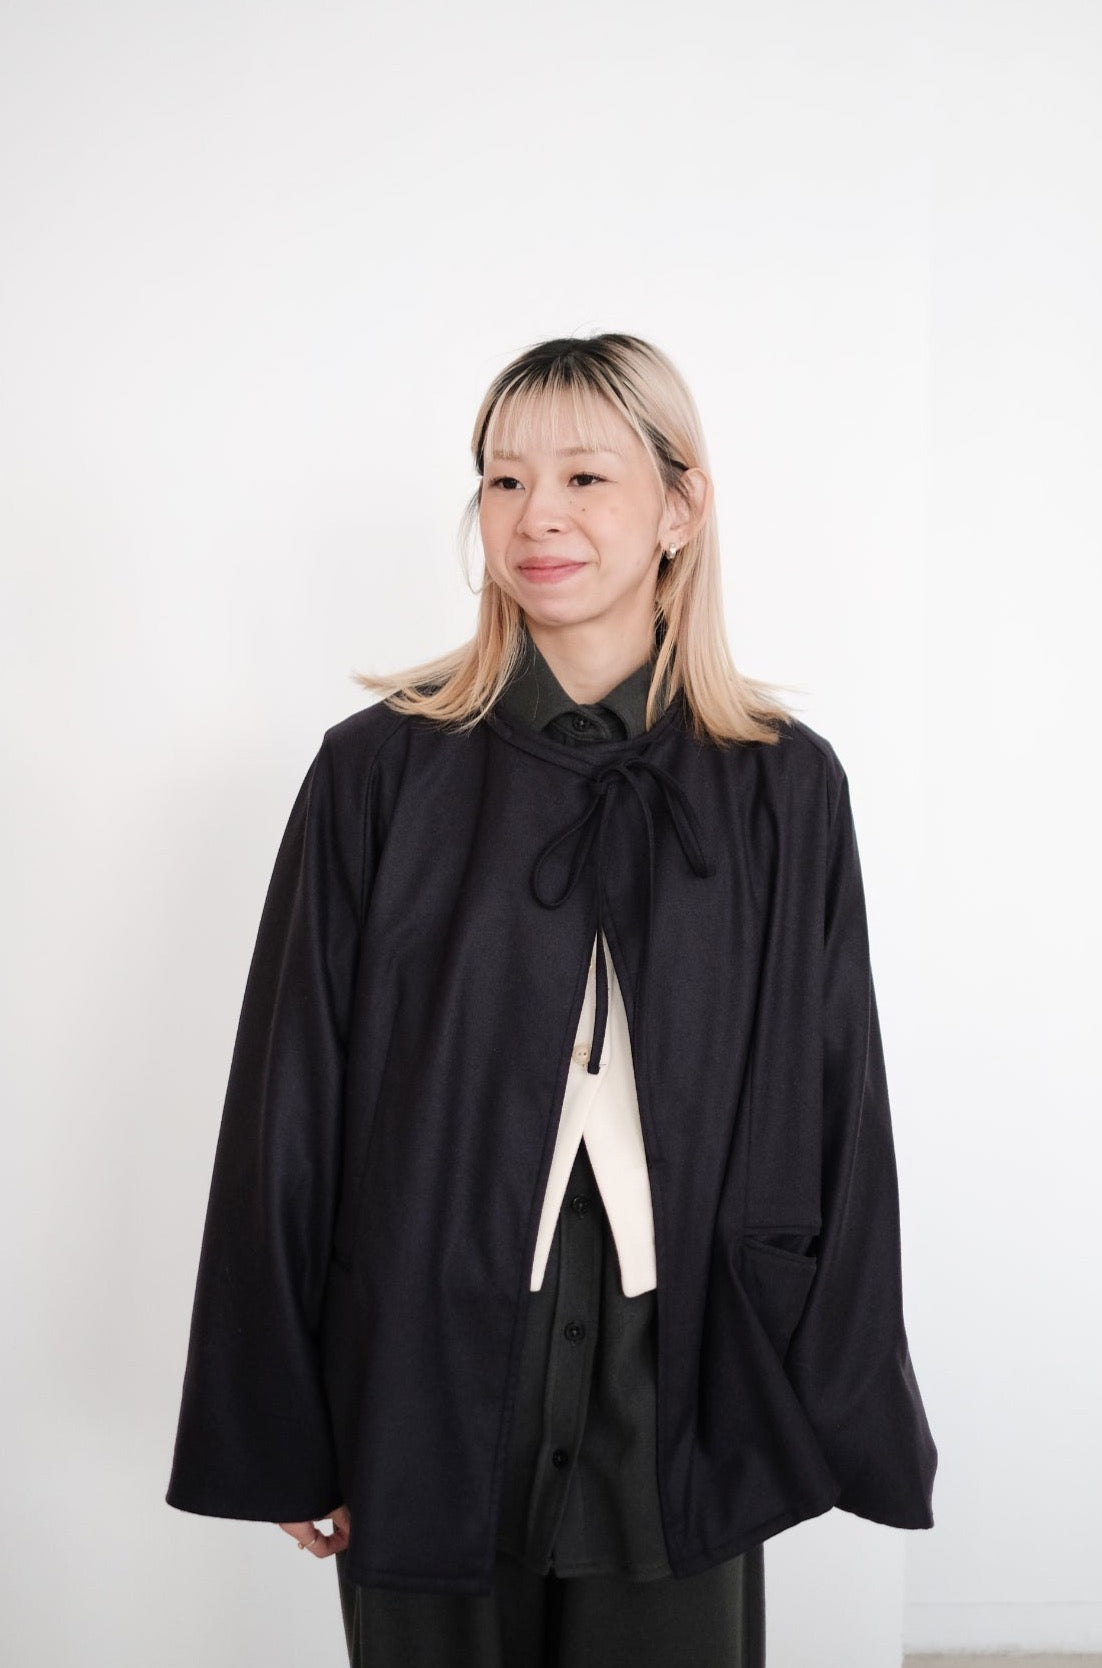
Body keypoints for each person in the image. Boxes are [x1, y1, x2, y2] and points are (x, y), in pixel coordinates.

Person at [167, 332, 937, 1667]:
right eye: (504, 480)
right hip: (420, 1352)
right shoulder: (377, 775)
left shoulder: (782, 786)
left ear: (679, 507)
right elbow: (287, 1104)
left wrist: (832, 1384)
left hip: (689, 1363)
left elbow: (839, 1101)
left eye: (585, 476)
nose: (537, 517)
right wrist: (280, 1423)